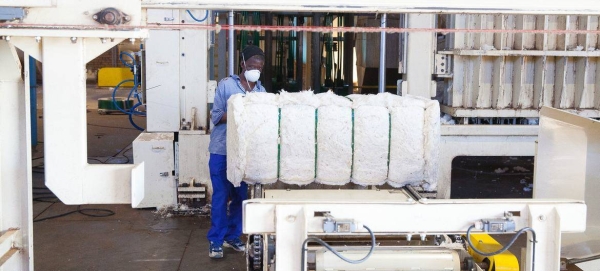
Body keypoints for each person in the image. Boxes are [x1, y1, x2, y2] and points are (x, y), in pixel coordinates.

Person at [207, 45, 266, 259]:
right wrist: (238, 112)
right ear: (242, 64)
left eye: (258, 68)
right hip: (222, 151)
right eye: (251, 66)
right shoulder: (226, 85)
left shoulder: (261, 91)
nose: (254, 70)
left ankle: (233, 236)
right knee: (221, 196)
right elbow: (215, 116)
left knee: (241, 197)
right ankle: (215, 240)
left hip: (245, 153)